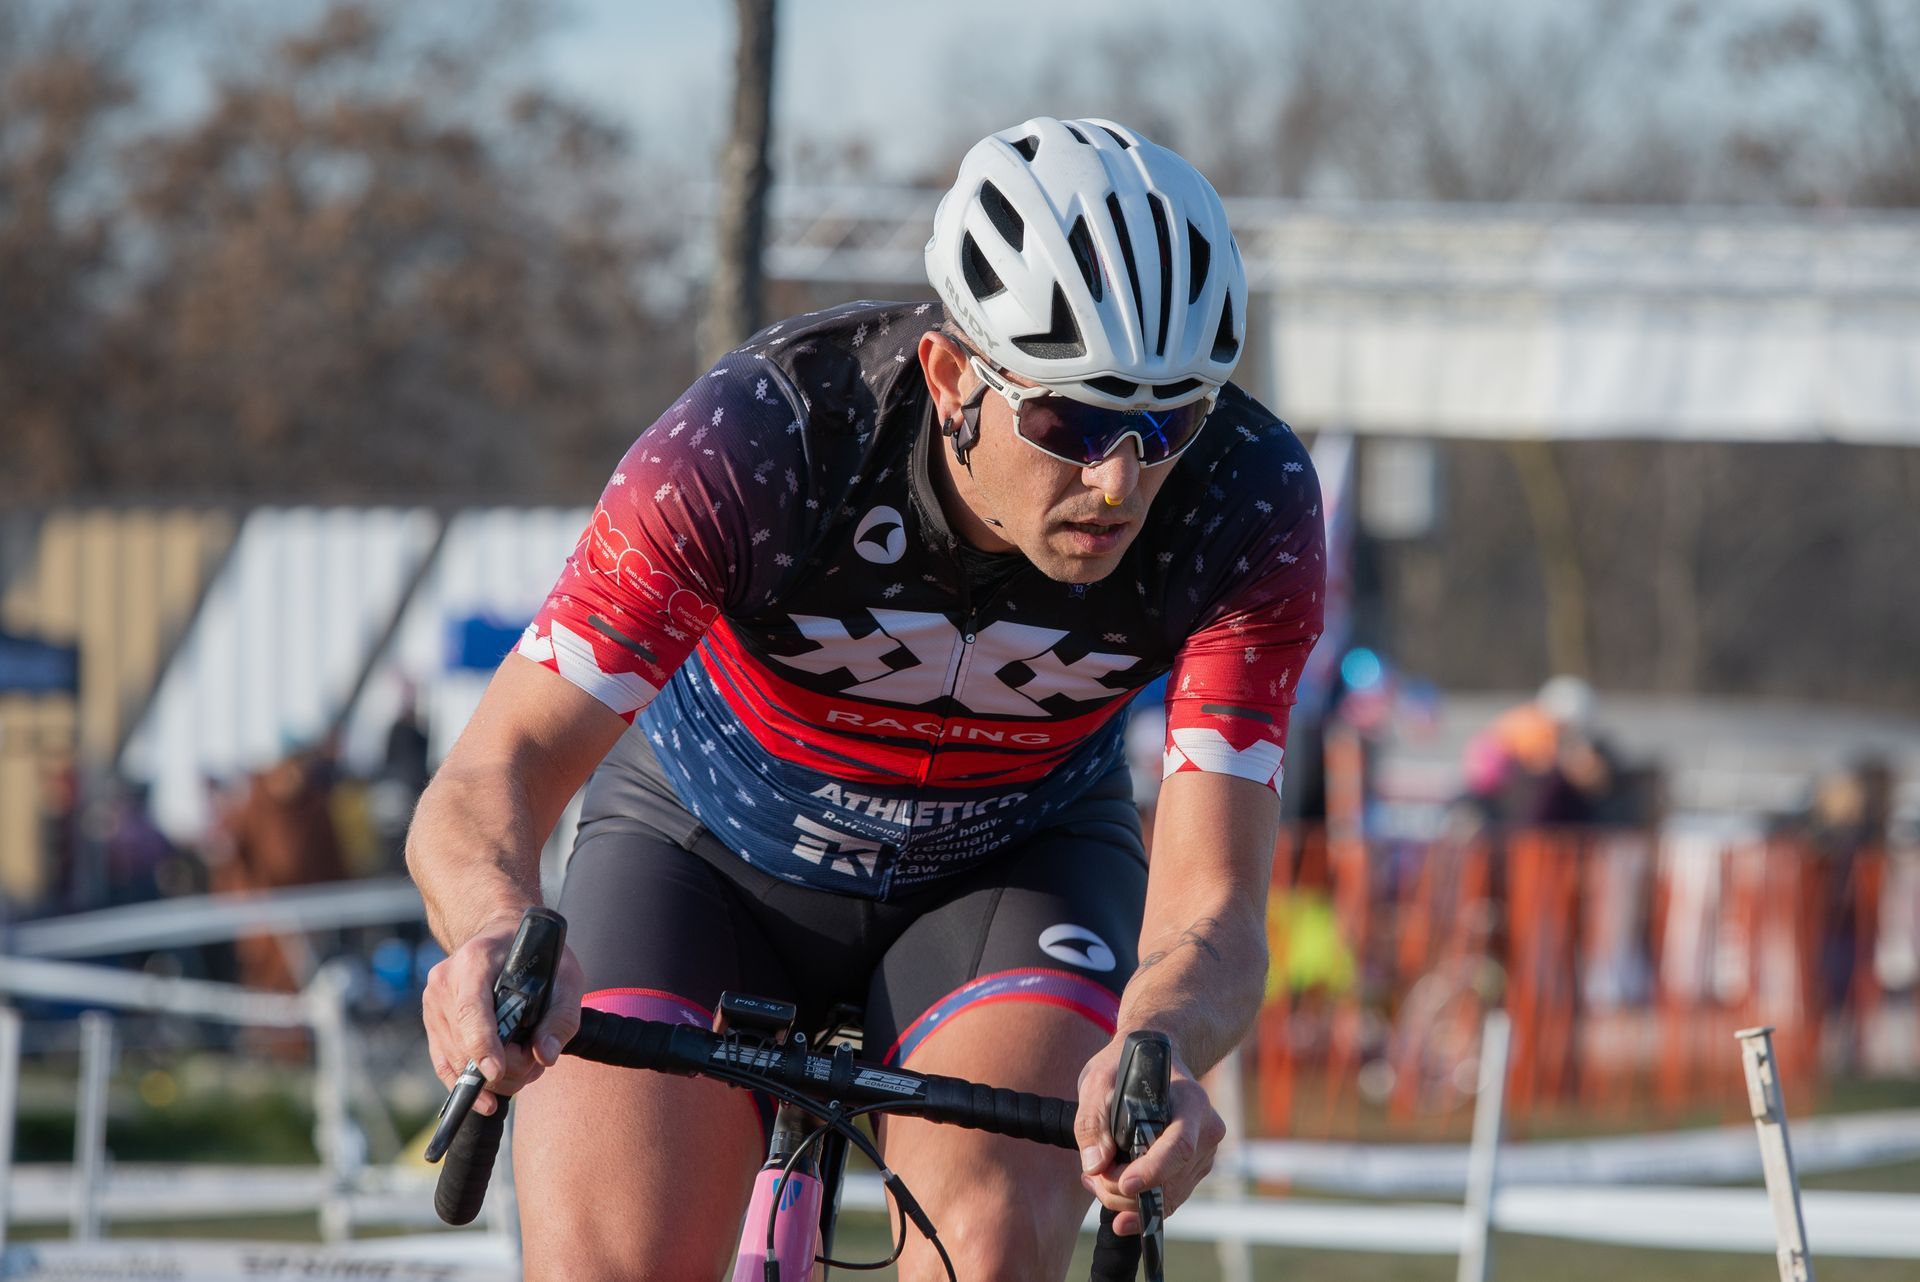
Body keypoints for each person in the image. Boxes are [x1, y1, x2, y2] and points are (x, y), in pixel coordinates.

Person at [408, 116, 1325, 1280]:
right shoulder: (763, 441)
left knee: (987, 1244)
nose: (1120, 481)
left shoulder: (1244, 501)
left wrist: (1158, 1044)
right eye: (1070, 419)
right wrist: (492, 926)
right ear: (954, 374)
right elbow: (493, 772)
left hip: (1010, 862)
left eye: (1167, 422)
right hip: (705, 850)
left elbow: (1216, 905)